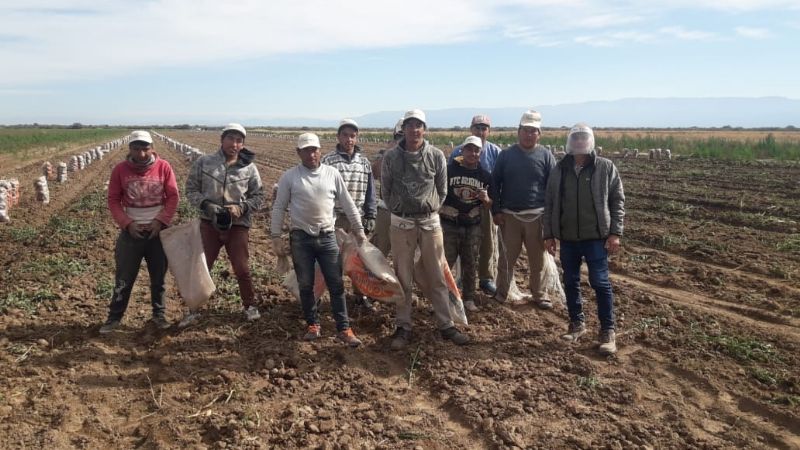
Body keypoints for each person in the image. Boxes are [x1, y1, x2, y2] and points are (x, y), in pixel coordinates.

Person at [382, 109, 470, 349]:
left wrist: (430, 208)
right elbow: (386, 190)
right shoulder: (391, 158)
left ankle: (446, 324)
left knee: (437, 273)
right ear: (404, 129)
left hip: (430, 222)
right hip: (402, 223)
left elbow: (442, 189)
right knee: (403, 276)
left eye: (418, 125)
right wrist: (400, 208)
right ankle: (403, 325)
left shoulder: (436, 155)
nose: (414, 130)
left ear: (424, 129)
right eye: (410, 125)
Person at [271, 133, 366, 347]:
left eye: (314, 149)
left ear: (320, 150)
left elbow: (348, 203)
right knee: (306, 284)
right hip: (301, 238)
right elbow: (279, 207)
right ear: (299, 153)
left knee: (336, 283)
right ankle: (312, 324)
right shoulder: (290, 177)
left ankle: (343, 328)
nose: (311, 154)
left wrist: (359, 229)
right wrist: (275, 236)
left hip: (327, 237)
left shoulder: (332, 174)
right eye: (306, 150)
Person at [544, 123, 625, 356]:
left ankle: (608, 331)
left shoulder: (605, 167)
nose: (579, 142)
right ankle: (576, 324)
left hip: (596, 238)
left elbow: (617, 201)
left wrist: (615, 233)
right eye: (576, 138)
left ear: (590, 141)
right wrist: (548, 234)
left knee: (600, 282)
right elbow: (549, 203)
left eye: (583, 138)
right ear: (570, 142)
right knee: (570, 282)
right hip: (568, 239)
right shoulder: (560, 169)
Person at [183, 123, 265, 326]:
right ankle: (193, 309)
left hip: (238, 225)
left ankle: (250, 306)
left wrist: (242, 208)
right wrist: (206, 205)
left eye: (239, 141)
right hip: (209, 224)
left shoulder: (249, 168)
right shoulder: (205, 162)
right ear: (222, 139)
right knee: (202, 267)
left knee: (242, 267)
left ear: (243, 144)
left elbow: (259, 195)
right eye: (231, 139)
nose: (234, 144)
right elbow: (191, 189)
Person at [100, 130, 179, 333]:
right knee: (124, 278)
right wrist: (127, 223)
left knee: (159, 279)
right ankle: (114, 318)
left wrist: (160, 221)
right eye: (136, 148)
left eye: (145, 148)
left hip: (157, 233)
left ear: (152, 148)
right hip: (131, 233)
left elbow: (172, 197)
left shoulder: (163, 167)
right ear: (130, 149)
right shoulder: (120, 170)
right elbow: (113, 199)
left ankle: (159, 316)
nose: (141, 153)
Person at [491, 110, 556, 309]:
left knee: (538, 261)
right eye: (525, 130)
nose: (529, 135)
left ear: (539, 134)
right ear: (518, 132)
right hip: (510, 216)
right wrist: (497, 210)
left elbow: (553, 187)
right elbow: (495, 183)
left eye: (533, 131)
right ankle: (501, 293)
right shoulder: (506, 155)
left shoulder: (545, 156)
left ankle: (539, 294)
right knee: (507, 259)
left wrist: (551, 219)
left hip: (537, 216)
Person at [321, 119, 378, 312]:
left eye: (352, 135)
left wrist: (371, 215)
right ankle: (334, 297)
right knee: (334, 261)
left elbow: (371, 191)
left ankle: (360, 296)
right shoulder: (328, 161)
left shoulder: (364, 162)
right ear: (338, 137)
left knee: (358, 261)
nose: (348, 139)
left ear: (357, 138)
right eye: (345, 135)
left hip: (357, 219)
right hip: (335, 218)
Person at [448, 115, 502, 295]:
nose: (480, 131)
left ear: (489, 131)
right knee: (459, 242)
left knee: (487, 242)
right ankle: (463, 277)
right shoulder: (457, 152)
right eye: (477, 128)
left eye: (484, 128)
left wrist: (493, 204)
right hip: (460, 206)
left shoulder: (495, 152)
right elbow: (449, 178)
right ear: (471, 129)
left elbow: (499, 182)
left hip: (484, 206)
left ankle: (486, 277)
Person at [440, 136, 492, 312]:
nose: (473, 153)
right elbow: (438, 194)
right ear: (462, 151)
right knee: (446, 262)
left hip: (473, 225)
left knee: (471, 262)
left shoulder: (485, 175)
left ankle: (469, 298)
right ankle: (443, 298)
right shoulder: (449, 171)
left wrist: (486, 200)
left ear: (480, 153)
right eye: (469, 149)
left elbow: (491, 203)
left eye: (476, 150)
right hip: (449, 224)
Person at [370, 118, 404, 256]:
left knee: (404, 253)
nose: (402, 140)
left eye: (404, 136)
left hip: (407, 213)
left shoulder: (418, 155)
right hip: (386, 209)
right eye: (399, 136)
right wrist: (387, 152)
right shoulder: (385, 153)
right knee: (379, 249)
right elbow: (374, 173)